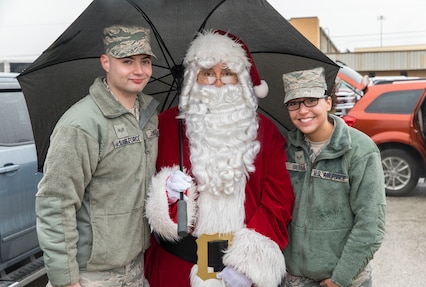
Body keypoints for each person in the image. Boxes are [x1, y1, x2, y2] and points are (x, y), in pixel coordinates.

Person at [144, 29, 295, 287]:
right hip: (177, 269)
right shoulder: (165, 127)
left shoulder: (266, 132)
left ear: (241, 79)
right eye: (207, 73)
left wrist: (249, 266)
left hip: (241, 273)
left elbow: (279, 201)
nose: (217, 82)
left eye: (227, 73)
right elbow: (141, 188)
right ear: (194, 78)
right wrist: (164, 194)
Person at [35, 24, 159, 287]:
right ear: (106, 62)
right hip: (90, 275)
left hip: (135, 268)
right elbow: (55, 203)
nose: (139, 70)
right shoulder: (81, 124)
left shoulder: (148, 116)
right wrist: (67, 280)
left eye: (145, 61)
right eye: (127, 61)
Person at [280, 67, 386, 287]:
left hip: (342, 280)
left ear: (328, 102)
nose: (302, 111)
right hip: (292, 280)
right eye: (294, 103)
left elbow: (370, 225)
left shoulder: (359, 150)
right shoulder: (285, 148)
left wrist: (340, 278)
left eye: (311, 100)